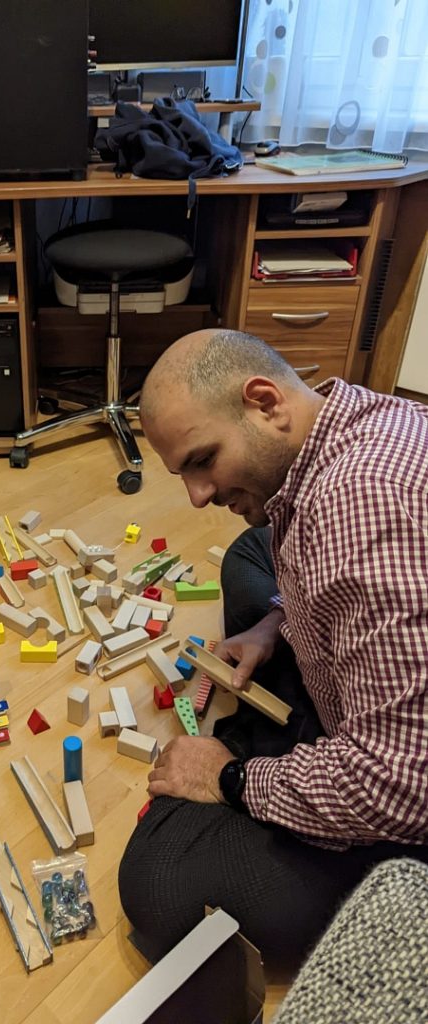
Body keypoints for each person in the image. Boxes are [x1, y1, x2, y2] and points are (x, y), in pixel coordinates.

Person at [119, 328, 428, 967]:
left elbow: (400, 786)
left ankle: (268, 757)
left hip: (405, 796)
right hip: (377, 704)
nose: (197, 496)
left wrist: (230, 778)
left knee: (160, 882)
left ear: (264, 402)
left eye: (203, 460)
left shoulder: (363, 511)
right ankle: (282, 733)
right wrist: (280, 623)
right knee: (250, 552)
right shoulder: (353, 420)